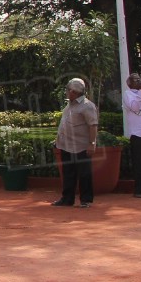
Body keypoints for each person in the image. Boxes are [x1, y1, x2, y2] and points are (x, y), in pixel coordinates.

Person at [54, 78, 98, 208]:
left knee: (84, 173)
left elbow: (93, 125)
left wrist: (92, 143)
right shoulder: (70, 104)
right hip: (66, 145)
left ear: (73, 91)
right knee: (68, 173)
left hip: (81, 145)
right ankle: (67, 198)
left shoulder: (87, 105)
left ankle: (86, 200)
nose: (66, 92)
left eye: (67, 90)